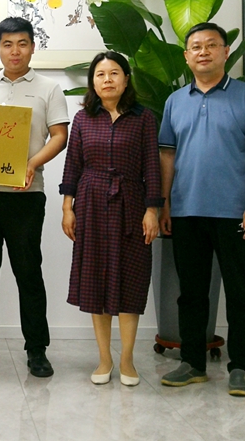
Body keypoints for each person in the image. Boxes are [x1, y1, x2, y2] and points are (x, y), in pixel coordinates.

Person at [159, 22, 245, 397]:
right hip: (186, 211)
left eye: (212, 45)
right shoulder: (175, 101)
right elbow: (167, 156)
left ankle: (241, 366)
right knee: (191, 293)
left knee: (240, 293)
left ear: (226, 52)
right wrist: (165, 203)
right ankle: (192, 363)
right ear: (186, 56)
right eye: (196, 46)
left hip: (236, 212)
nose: (203, 51)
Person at [0, 16, 69, 378]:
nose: (15, 51)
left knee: (28, 273)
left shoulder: (49, 89)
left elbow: (59, 136)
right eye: (7, 44)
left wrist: (31, 164)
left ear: (32, 47)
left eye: (22, 43)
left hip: (25, 195)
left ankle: (36, 350)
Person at [60, 51, 162, 387]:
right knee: (96, 281)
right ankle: (104, 359)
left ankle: (127, 359)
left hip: (131, 203)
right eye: (101, 74)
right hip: (90, 203)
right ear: (93, 82)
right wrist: (67, 207)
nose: (107, 80)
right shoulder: (83, 119)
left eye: (114, 73)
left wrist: (152, 210)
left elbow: (152, 166)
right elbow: (73, 165)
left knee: (131, 280)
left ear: (126, 79)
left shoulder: (143, 119)